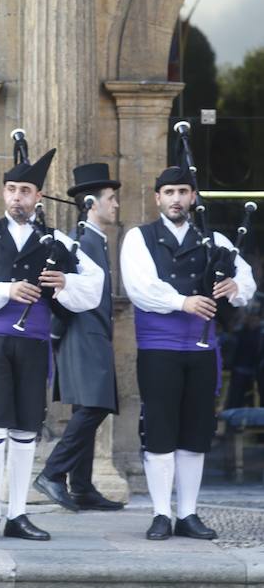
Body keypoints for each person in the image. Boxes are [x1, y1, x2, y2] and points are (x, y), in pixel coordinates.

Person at [0, 148, 104, 542]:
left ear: (38, 196)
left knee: (24, 432)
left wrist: (66, 283)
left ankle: (18, 514)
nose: (17, 197)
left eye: (25, 190)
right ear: (4, 194)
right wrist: (8, 289)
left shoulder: (55, 240)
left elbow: (94, 285)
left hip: (34, 343)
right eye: (11, 189)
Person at [120, 165, 255, 540]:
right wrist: (184, 302)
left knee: (195, 433)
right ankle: (161, 513)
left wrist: (232, 286)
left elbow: (246, 281)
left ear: (193, 197)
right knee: (160, 430)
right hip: (159, 347)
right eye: (169, 192)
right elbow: (140, 287)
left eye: (183, 191)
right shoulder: (138, 238)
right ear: (157, 198)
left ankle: (188, 514)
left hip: (202, 348)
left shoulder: (215, 239)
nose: (176, 199)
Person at [34, 163, 124, 512]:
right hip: (82, 333)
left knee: (89, 406)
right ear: (92, 202)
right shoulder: (82, 242)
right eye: (111, 198)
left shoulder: (94, 241)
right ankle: (53, 474)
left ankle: (82, 487)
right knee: (95, 406)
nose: (116, 205)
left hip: (93, 334)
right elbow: (63, 293)